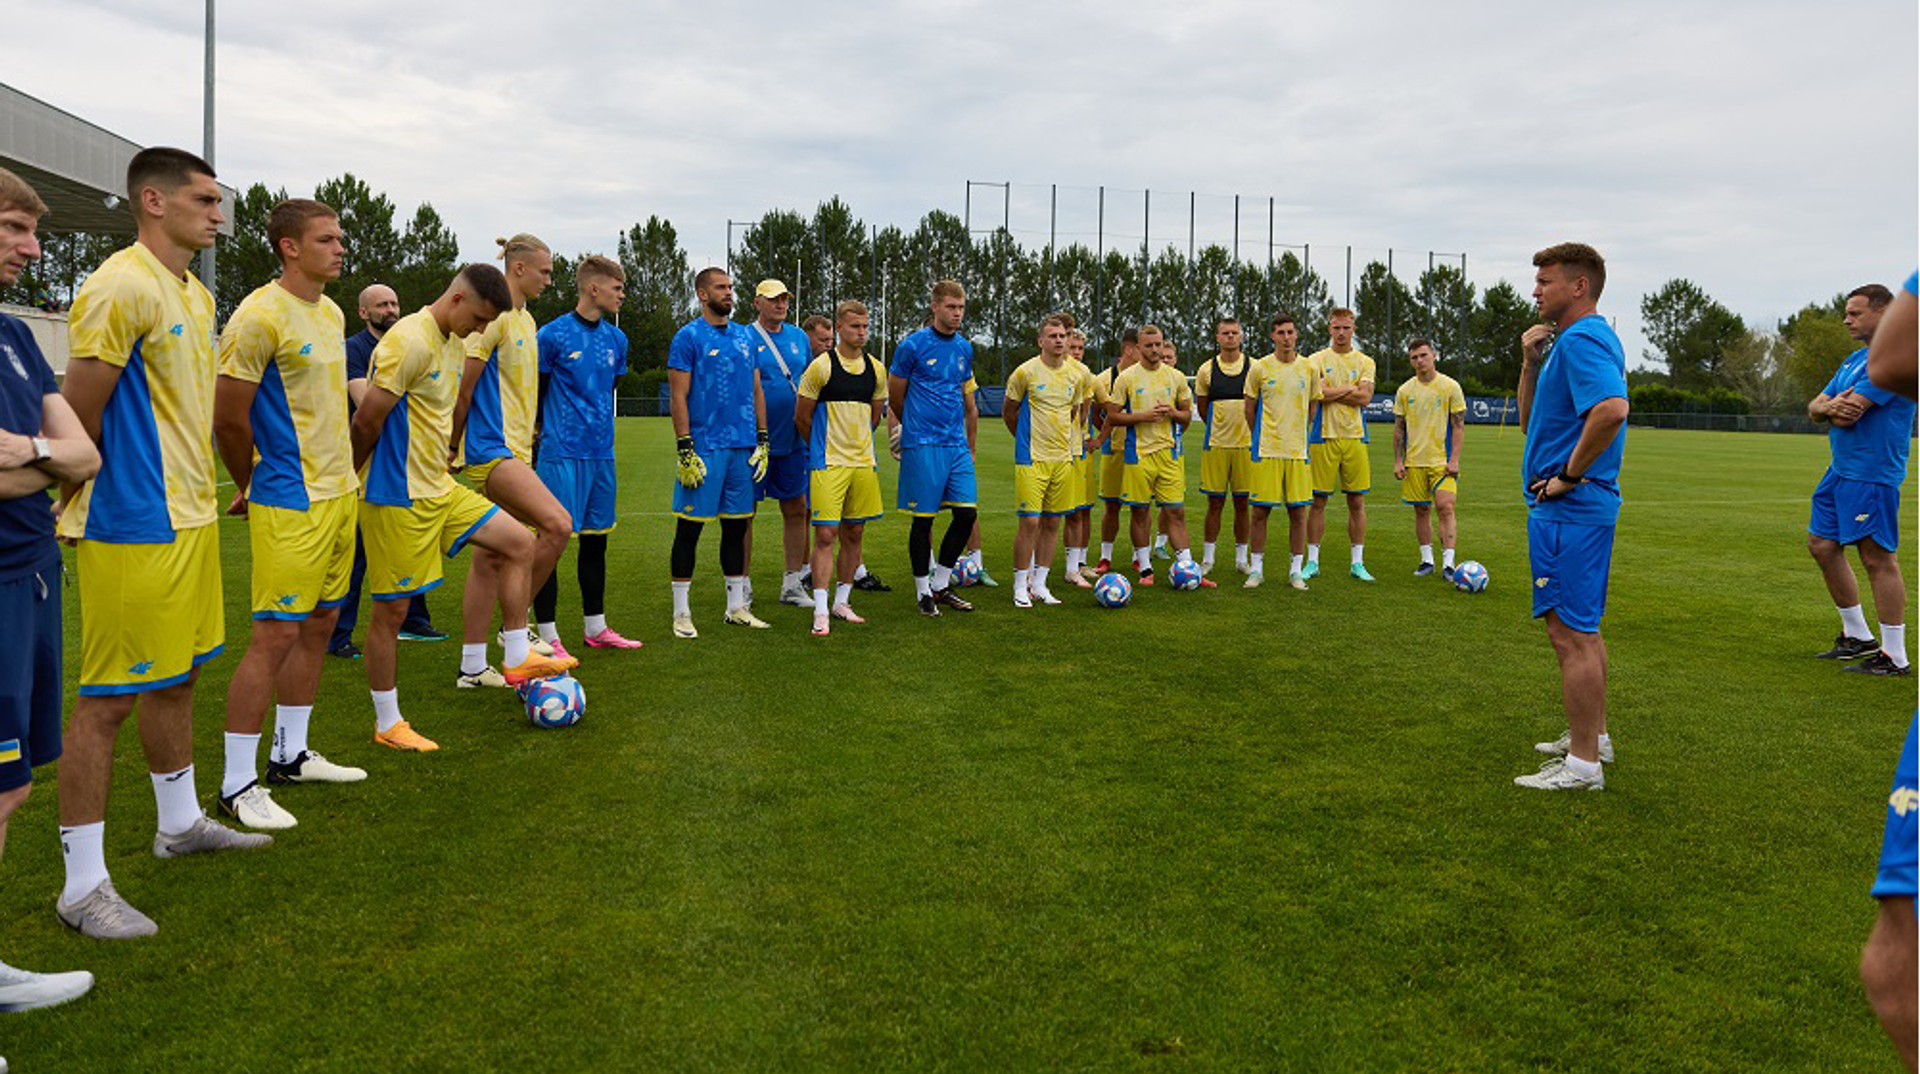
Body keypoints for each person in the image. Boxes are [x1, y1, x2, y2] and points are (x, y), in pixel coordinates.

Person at [55, 148, 271, 940]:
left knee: (178, 677)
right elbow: (77, 414)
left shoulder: (192, 291)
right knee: (106, 701)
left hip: (190, 516)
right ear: (154, 200)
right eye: (207, 200)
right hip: (129, 522)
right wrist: (64, 507)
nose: (220, 214)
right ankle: (82, 887)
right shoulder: (118, 284)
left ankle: (179, 825)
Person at [352, 265, 576, 753]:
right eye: (477, 318)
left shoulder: (452, 341)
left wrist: (447, 451)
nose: (480, 330)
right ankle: (388, 722)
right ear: (456, 299)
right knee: (391, 613)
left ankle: (516, 655)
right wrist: (350, 478)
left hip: (438, 487)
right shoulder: (407, 340)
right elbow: (367, 419)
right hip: (396, 495)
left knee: (518, 541)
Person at [211, 198, 368, 832]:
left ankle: (291, 755)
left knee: (320, 623)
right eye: (327, 239)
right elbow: (227, 417)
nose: (340, 248)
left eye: (340, 238)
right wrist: (252, 482)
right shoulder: (257, 315)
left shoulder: (329, 311)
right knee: (274, 635)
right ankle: (234, 785)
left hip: (339, 494)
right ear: (289, 247)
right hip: (290, 496)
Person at [0, 166, 97, 1004]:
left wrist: (26, 450)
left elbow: (81, 455)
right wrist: (46, 455)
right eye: (14, 229)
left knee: (12, 784)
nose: (33, 248)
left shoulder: (17, 336)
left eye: (33, 231)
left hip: (32, 574)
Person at [1514, 243, 1629, 792]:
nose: (1536, 290)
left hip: (1571, 509)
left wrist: (1570, 475)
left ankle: (1583, 767)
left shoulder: (1583, 338)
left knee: (1569, 636)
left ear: (1579, 286)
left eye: (1546, 281)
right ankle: (1595, 736)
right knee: (1583, 628)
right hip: (1574, 510)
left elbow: (1611, 409)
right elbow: (1530, 423)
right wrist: (1529, 362)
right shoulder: (1569, 341)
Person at [449, 235, 580, 687]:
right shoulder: (496, 316)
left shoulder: (526, 319)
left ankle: (471, 667)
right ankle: (515, 634)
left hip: (517, 451)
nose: (549, 279)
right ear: (518, 268)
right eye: (544, 272)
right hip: (491, 451)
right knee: (557, 525)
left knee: (490, 559)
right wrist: (450, 445)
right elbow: (465, 385)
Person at [531, 255, 643, 651]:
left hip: (602, 456)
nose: (621, 296)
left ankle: (595, 628)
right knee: (551, 542)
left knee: (596, 542)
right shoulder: (552, 335)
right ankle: (547, 635)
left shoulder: (617, 339)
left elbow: (606, 390)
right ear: (593, 288)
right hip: (560, 454)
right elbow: (538, 391)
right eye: (617, 288)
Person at [1805, 284, 1912, 675]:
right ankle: (1858, 637)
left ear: (1883, 313)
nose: (1847, 319)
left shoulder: (1894, 360)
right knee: (1821, 545)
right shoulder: (1854, 360)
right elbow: (1816, 407)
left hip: (1871, 473)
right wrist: (1827, 406)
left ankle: (1895, 655)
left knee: (1876, 558)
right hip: (1840, 470)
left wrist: (1828, 407)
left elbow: (1850, 411)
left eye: (1855, 313)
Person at [331, 283, 443, 657]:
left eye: (395, 302)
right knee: (359, 554)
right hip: (367, 462)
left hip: (406, 462)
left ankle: (415, 620)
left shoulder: (409, 344)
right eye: (382, 304)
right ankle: (338, 636)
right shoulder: (355, 349)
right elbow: (365, 402)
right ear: (363, 313)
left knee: (411, 542)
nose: (391, 309)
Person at [667, 268, 770, 637]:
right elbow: (678, 394)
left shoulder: (745, 336)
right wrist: (684, 445)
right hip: (705, 447)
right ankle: (681, 612)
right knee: (690, 529)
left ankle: (736, 607)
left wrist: (762, 438)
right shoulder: (688, 336)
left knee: (736, 527)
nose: (728, 293)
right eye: (720, 287)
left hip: (742, 447)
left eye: (730, 287)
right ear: (701, 293)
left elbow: (757, 390)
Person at [794, 300, 887, 635]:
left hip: (863, 463)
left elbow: (874, 419)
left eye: (865, 326)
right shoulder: (821, 367)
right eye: (854, 327)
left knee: (855, 532)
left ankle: (841, 602)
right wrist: (821, 448)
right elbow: (802, 418)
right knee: (824, 535)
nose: (861, 332)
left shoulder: (876, 369)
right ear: (840, 328)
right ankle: (820, 610)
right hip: (828, 463)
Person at [890, 279, 980, 616]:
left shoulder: (964, 348)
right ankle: (922, 591)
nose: (957, 314)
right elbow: (895, 395)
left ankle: (942, 584)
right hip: (923, 443)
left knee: (966, 514)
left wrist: (969, 443)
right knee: (923, 520)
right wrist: (909, 427)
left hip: (955, 443)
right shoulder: (912, 346)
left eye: (961, 308)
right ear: (935, 307)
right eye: (951, 307)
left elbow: (963, 395)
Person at [1107, 326, 1206, 586]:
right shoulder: (1126, 378)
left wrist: (1172, 412)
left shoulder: (1176, 377)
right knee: (1140, 512)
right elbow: (1113, 415)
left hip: (1169, 455)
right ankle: (1145, 569)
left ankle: (1187, 566)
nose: (1154, 349)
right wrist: (1142, 416)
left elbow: (1187, 415)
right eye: (1149, 345)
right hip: (1137, 454)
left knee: (1176, 512)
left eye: (1158, 344)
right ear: (1138, 348)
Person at [1002, 315, 1090, 608]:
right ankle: (1019, 585)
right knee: (1030, 521)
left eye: (1063, 335)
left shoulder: (1076, 376)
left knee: (1053, 521)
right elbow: (1009, 412)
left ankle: (1040, 585)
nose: (1059, 340)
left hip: (1062, 459)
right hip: (1032, 458)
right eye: (1052, 335)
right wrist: (1025, 441)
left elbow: (1074, 413)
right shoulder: (1025, 373)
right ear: (1041, 341)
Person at [742, 280, 814, 608]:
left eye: (784, 299)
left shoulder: (799, 337)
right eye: (773, 299)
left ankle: (792, 584)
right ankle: (740, 584)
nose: (780, 304)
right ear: (757, 302)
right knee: (745, 512)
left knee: (796, 508)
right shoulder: (743, 336)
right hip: (752, 442)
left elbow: (809, 382)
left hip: (792, 439)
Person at [1242, 312, 1319, 590]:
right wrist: (1260, 437)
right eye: (1281, 333)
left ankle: (1295, 571)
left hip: (1298, 452)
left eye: (1290, 332)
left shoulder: (1309, 368)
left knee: (1298, 513)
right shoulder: (1260, 368)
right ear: (1272, 336)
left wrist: (1299, 433)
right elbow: (1249, 408)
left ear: (1296, 334)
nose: (1286, 338)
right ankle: (1256, 569)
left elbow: (1313, 406)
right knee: (1260, 512)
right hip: (1266, 450)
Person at [1304, 308, 1376, 581]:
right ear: (1329, 329)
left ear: (1353, 329)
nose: (1341, 332)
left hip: (1355, 437)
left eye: (1346, 328)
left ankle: (1357, 563)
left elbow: (1366, 397)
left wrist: (1333, 391)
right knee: (1318, 501)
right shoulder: (1316, 359)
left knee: (1356, 501)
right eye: (1337, 328)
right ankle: (1312, 562)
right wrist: (1350, 388)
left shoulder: (1365, 361)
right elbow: (1318, 393)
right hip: (1323, 437)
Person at [1392, 339, 1467, 579]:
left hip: (1442, 462)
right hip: (1414, 462)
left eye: (1423, 355)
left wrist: (1454, 459)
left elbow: (1458, 426)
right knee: (1421, 511)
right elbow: (1399, 429)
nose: (1419, 361)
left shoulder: (1450, 386)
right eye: (1414, 357)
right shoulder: (1405, 391)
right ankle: (1427, 561)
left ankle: (1448, 564)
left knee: (1446, 507)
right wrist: (1398, 460)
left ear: (1434, 356)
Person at [1194, 318, 1253, 576]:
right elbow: (1202, 407)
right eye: (1225, 333)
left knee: (1243, 504)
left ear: (1241, 337)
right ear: (1217, 337)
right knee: (1215, 504)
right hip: (1216, 445)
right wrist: (1218, 428)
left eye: (1235, 333)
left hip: (1247, 446)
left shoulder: (1254, 368)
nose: (1230, 337)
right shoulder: (1206, 370)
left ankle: (1242, 559)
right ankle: (1208, 558)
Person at [1093, 327, 1141, 574]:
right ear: (1130, 349)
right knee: (1111, 506)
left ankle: (1139, 557)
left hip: (1140, 453)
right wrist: (1105, 436)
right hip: (1114, 452)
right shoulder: (1104, 379)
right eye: (1142, 348)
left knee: (1139, 506)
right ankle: (1105, 557)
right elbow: (1095, 413)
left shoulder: (1145, 376)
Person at [1061, 326, 1100, 587]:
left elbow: (1108, 410)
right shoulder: (1048, 372)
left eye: (1080, 349)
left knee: (1082, 511)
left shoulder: (1088, 377)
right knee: (1045, 514)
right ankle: (1031, 568)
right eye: (1072, 347)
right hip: (1055, 452)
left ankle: (1077, 564)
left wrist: (1099, 439)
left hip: (1081, 452)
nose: (1076, 353)